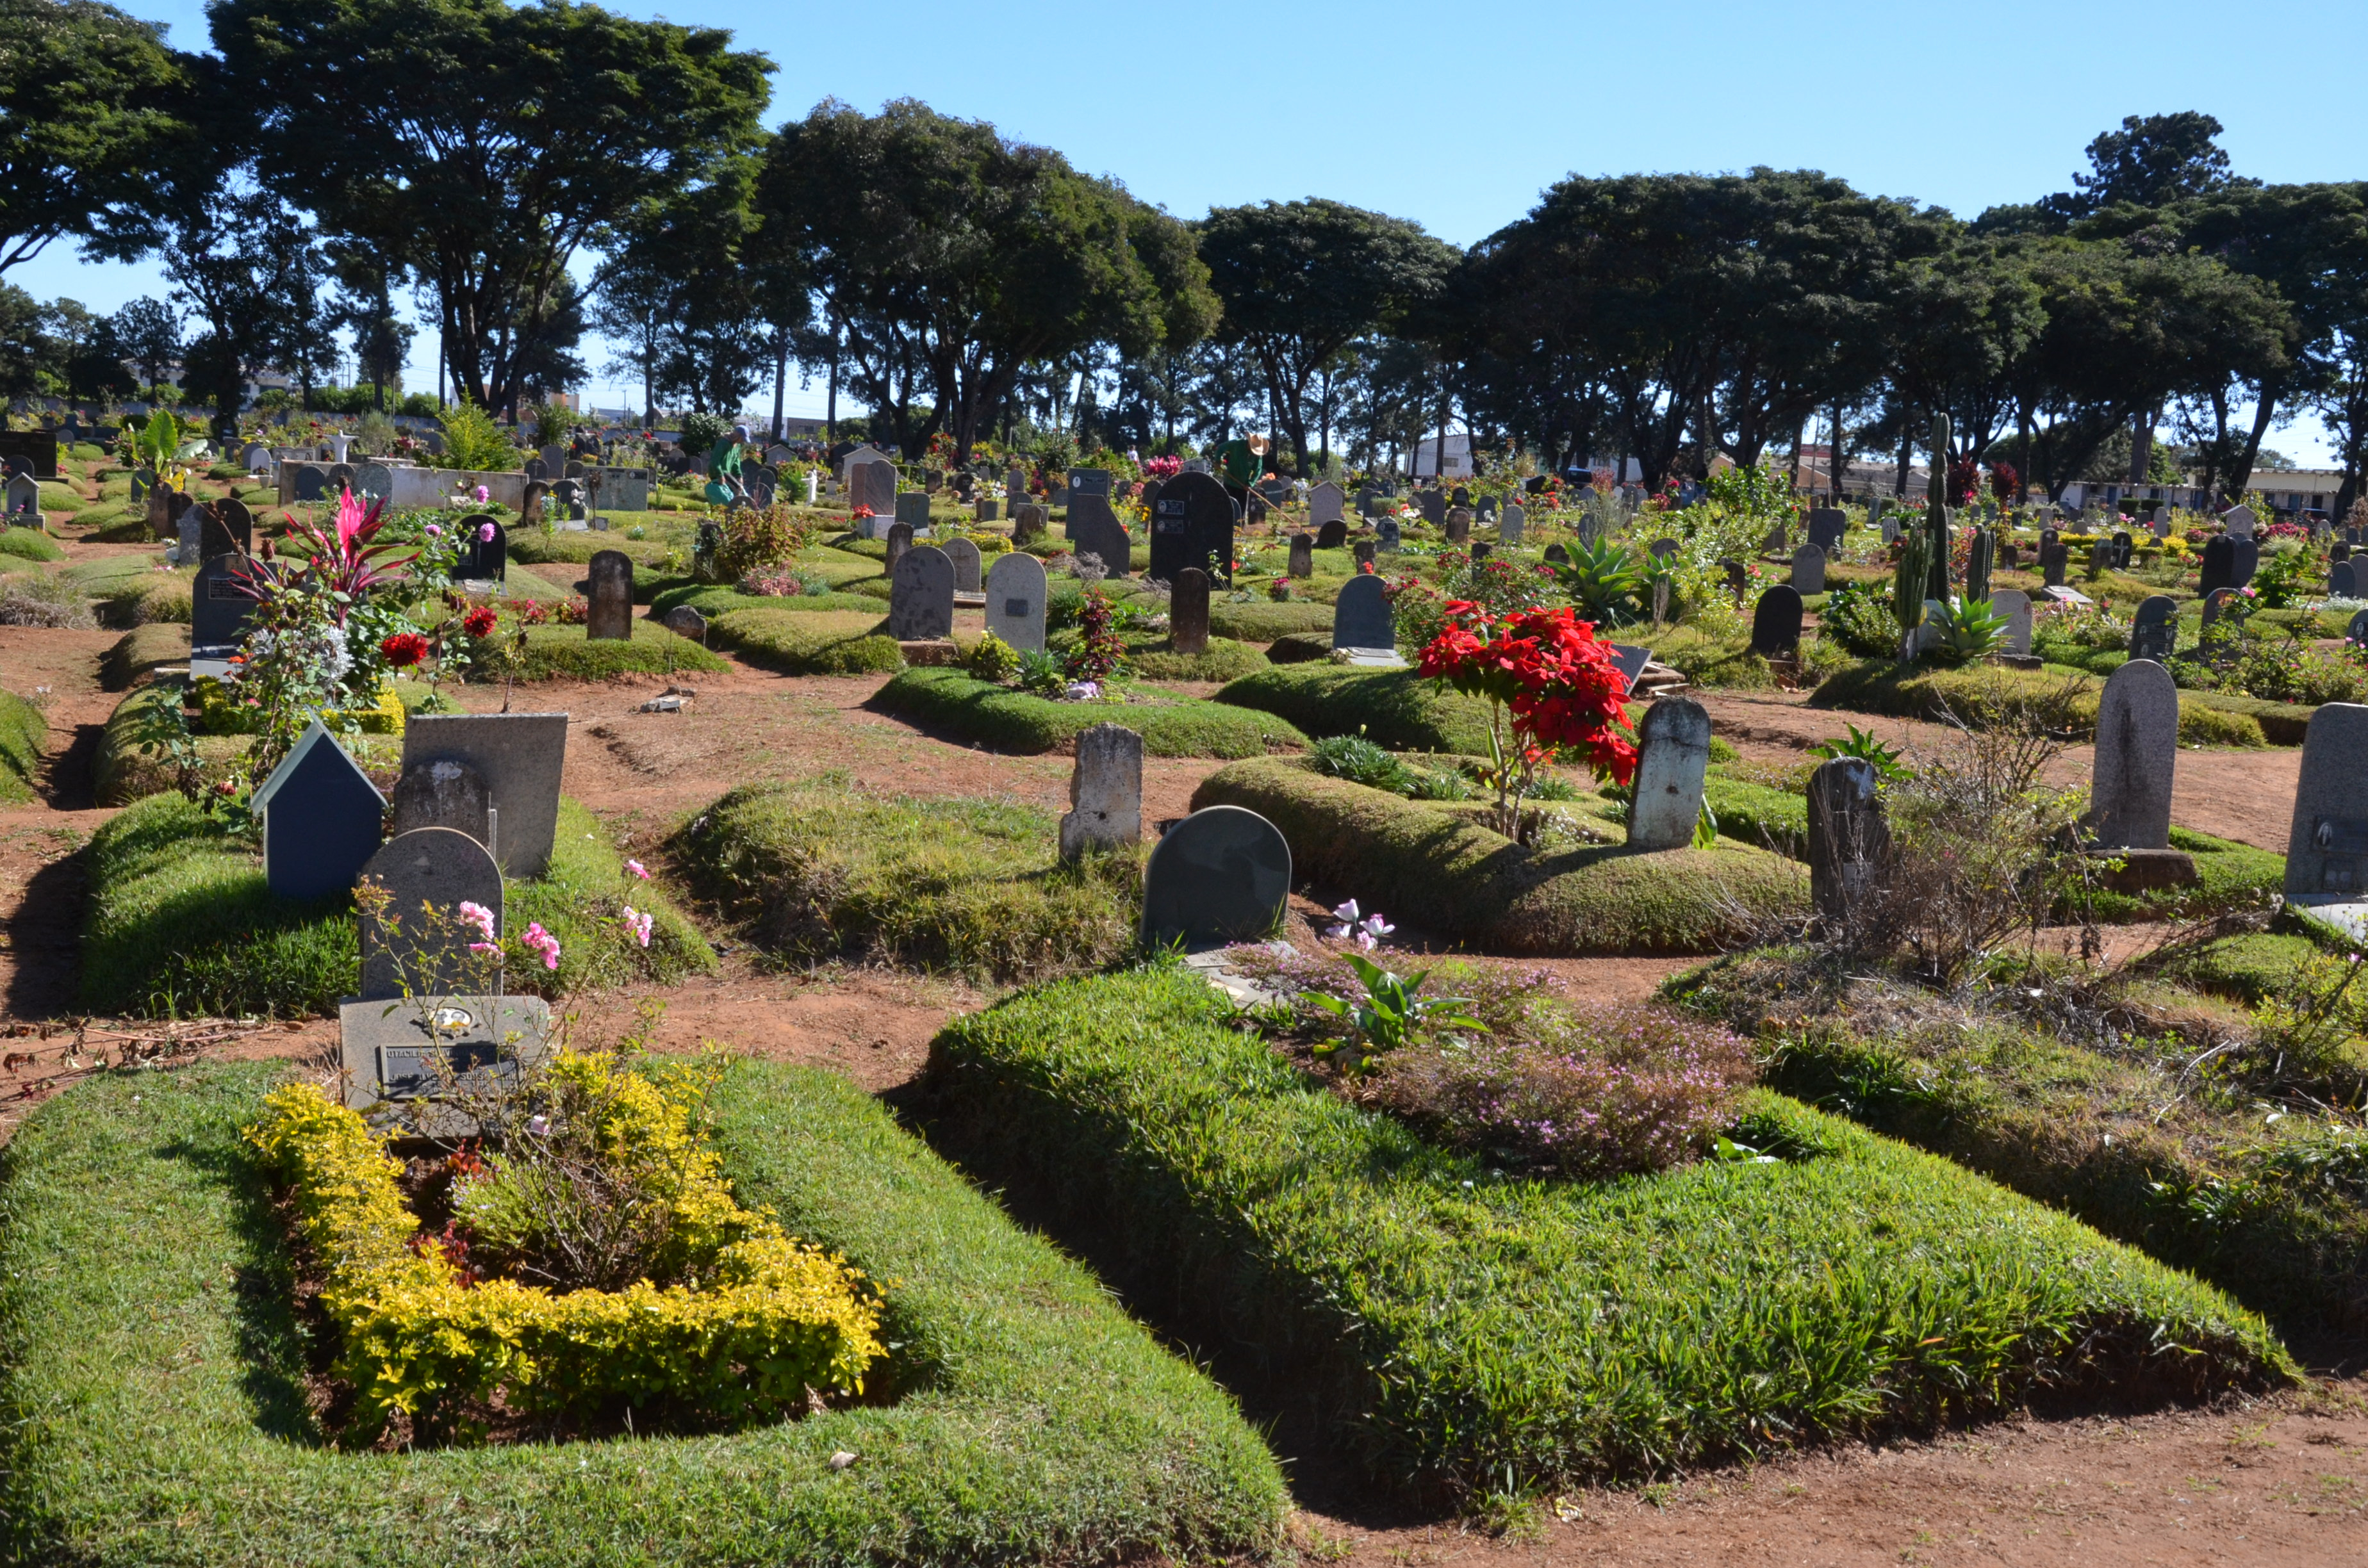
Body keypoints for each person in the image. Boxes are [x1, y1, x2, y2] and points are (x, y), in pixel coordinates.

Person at [1215, 432, 1269, 518]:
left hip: (1243, 486)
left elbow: (1257, 470)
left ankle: (1239, 529)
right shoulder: (1236, 444)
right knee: (1227, 509)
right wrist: (1218, 461)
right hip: (1230, 482)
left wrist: (1250, 483)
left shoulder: (1257, 455)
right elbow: (1220, 448)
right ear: (1249, 443)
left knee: (1240, 512)